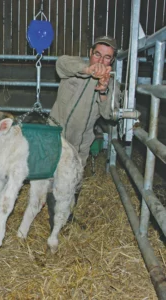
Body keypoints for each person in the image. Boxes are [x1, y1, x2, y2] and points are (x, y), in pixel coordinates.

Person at [47, 36, 121, 230]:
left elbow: (110, 115)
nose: (100, 61)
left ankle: (68, 215)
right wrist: (86, 70)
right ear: (90, 53)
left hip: (81, 139)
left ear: (111, 61)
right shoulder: (75, 67)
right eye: (97, 54)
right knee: (53, 176)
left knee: (76, 177)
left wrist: (104, 92)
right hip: (56, 132)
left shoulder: (112, 83)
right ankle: (54, 220)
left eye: (107, 58)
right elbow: (60, 63)